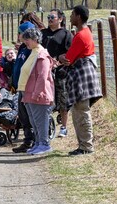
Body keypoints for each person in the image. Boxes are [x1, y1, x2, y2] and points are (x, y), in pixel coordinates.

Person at [58, 5, 103, 156]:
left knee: (82, 112)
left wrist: (60, 57)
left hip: (81, 75)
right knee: (79, 111)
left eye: (72, 14)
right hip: (82, 74)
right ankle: (83, 145)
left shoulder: (81, 35)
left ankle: (86, 146)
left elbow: (68, 59)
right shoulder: (84, 33)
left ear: (78, 16)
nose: (70, 17)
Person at [17, 27, 56, 155]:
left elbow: (42, 76)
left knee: (40, 121)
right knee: (34, 121)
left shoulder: (42, 55)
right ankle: (38, 143)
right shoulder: (33, 52)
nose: (25, 42)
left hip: (38, 95)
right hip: (28, 93)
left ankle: (44, 144)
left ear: (35, 39)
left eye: (27, 39)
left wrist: (37, 93)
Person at [41, 8, 73, 138]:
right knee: (44, 100)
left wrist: (59, 58)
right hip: (43, 72)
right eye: (48, 17)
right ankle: (45, 126)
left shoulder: (66, 34)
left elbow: (70, 54)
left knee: (63, 101)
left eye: (52, 17)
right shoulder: (42, 33)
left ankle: (64, 127)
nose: (49, 19)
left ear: (60, 19)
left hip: (61, 73)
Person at [11, 21, 37, 153]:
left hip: (27, 87)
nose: (18, 35)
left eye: (20, 33)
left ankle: (31, 140)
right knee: (22, 115)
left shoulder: (31, 49)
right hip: (19, 86)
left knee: (28, 115)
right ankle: (27, 140)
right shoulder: (22, 48)